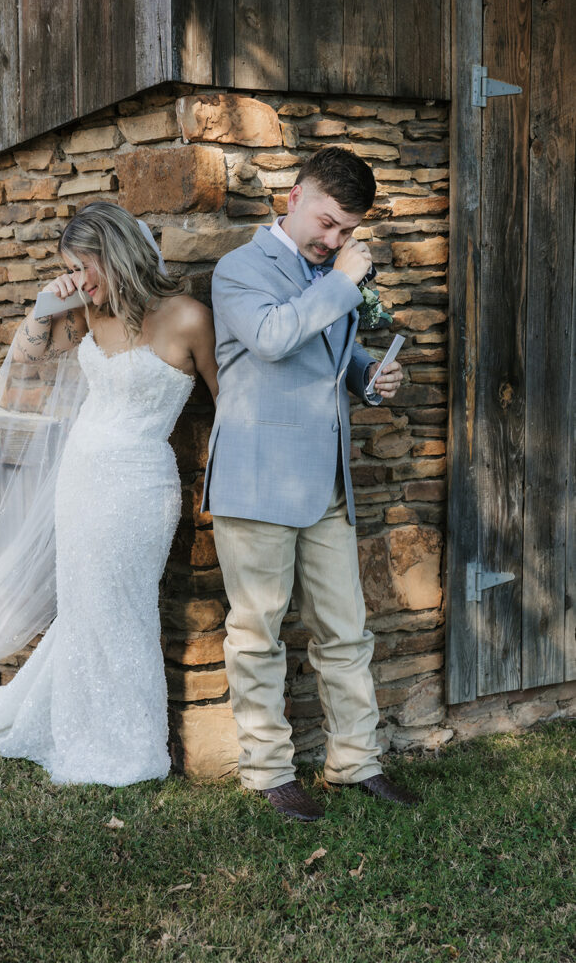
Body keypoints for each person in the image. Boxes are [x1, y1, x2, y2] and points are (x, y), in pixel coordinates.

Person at [0, 202, 217, 787]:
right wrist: (46, 305)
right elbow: (25, 361)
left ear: (114, 252)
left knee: (125, 609)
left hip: (142, 483)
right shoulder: (88, 314)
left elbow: (231, 403)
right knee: (85, 608)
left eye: (83, 265)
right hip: (82, 478)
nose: (80, 279)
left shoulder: (190, 317)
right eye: (72, 267)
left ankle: (131, 742)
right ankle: (82, 727)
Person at [204, 146, 418, 821]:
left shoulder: (329, 273)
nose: (335, 241)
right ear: (293, 197)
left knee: (346, 630)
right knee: (258, 634)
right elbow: (270, 338)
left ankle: (355, 763)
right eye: (327, 223)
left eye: (347, 232)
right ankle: (268, 771)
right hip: (257, 480)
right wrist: (343, 283)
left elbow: (326, 349)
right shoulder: (238, 270)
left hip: (326, 484)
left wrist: (366, 376)